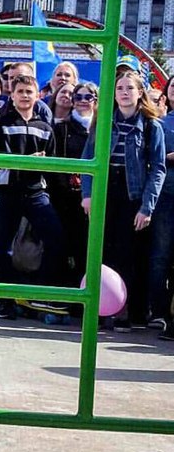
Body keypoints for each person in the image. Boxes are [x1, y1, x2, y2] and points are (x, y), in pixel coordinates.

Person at [81, 69, 165, 330]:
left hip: (132, 193)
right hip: (105, 190)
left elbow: (158, 168)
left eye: (130, 88)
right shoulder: (102, 121)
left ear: (140, 93)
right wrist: (88, 194)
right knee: (99, 251)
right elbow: (88, 159)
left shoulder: (151, 126)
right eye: (120, 88)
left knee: (127, 255)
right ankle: (97, 309)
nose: (124, 93)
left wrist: (147, 207)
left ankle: (124, 311)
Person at [0, 72, 65, 320]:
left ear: (37, 95)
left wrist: (37, 165)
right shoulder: (1, 123)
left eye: (28, 92)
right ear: (11, 95)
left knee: (55, 237)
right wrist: (28, 160)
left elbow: (52, 164)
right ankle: (5, 299)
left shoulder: (45, 128)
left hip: (35, 191)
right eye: (19, 91)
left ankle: (39, 293)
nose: (24, 96)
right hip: (6, 191)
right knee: (3, 245)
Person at [50, 81, 95, 285]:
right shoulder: (61, 128)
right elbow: (56, 162)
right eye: (78, 97)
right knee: (69, 244)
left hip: (97, 195)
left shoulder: (103, 127)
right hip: (68, 197)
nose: (83, 101)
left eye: (88, 97)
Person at [149, 75, 174, 331]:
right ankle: (158, 311)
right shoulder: (159, 123)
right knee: (160, 255)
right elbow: (153, 158)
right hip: (165, 195)